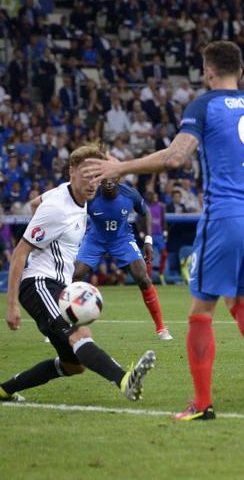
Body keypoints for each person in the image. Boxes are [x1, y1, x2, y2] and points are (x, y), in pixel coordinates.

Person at [83, 41, 244, 421]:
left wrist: (119, 168)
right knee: (241, 302)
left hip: (224, 217)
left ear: (208, 71)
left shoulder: (205, 105)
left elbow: (176, 157)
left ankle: (201, 403)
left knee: (200, 313)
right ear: (241, 71)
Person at [1, 144, 156, 405]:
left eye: (97, 176)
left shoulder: (75, 196)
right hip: (39, 283)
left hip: (59, 287)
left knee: (73, 365)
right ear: (71, 171)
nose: (93, 182)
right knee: (80, 336)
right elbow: (19, 254)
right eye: (87, 175)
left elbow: (33, 203)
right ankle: (124, 380)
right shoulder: (58, 208)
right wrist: (12, 304)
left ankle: (4, 390)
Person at [71, 177, 172, 340]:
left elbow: (146, 213)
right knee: (74, 275)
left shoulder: (130, 194)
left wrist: (148, 241)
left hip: (122, 239)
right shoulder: (90, 196)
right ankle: (63, 326)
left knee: (143, 278)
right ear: (99, 179)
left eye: (112, 178)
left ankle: (161, 328)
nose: (109, 182)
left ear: (118, 177)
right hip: (95, 239)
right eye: (105, 178)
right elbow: (73, 214)